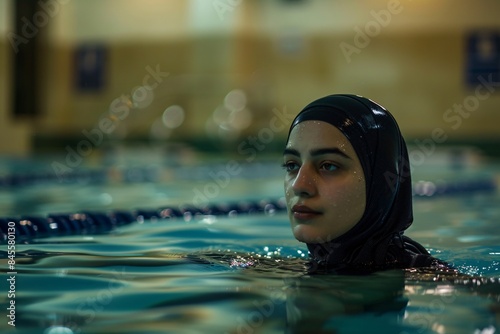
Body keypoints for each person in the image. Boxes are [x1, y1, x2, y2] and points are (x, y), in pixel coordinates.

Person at [282, 94, 452, 273]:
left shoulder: (432, 280)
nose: (299, 185)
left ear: (379, 183)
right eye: (292, 165)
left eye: (329, 166)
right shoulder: (300, 267)